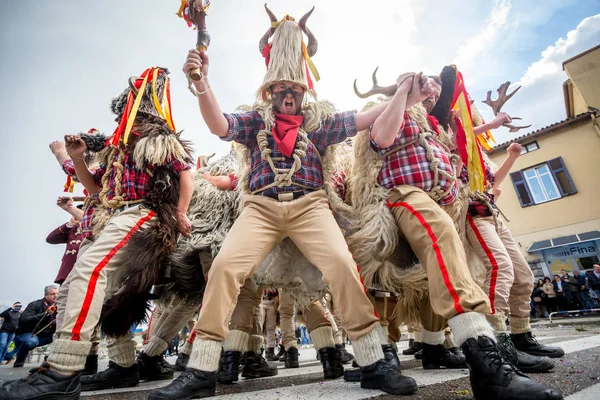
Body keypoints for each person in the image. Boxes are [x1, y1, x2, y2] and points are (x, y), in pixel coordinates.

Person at [0, 67, 194, 400]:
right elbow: (93, 186)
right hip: (113, 215)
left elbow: (186, 172)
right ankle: (103, 366)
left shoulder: (158, 140)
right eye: (130, 116)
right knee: (70, 289)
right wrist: (77, 159)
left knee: (92, 269)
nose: (131, 123)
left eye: (137, 115)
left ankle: (64, 369)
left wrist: (179, 213)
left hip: (141, 211)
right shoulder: (116, 150)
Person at [10, 286, 58, 368]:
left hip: (47, 336)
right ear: (45, 295)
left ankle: (52, 362)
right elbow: (24, 320)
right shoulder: (34, 304)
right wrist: (45, 314)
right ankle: (20, 359)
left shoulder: (60, 307)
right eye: (52, 294)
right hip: (29, 335)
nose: (56, 296)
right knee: (30, 342)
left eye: (57, 293)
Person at [46, 197, 85, 285]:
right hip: (68, 273)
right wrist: (69, 225)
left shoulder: (96, 226)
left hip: (85, 270)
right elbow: (50, 239)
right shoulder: (71, 229)